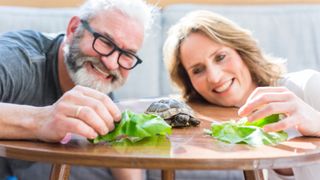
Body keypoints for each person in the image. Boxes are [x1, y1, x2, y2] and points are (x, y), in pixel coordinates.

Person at [0, 0, 154, 179]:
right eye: (105, 42)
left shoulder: (97, 80)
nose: (111, 63)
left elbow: (119, 149)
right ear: (73, 29)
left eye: (127, 54)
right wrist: (42, 119)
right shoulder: (19, 58)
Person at [163, 10, 320, 180]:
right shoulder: (221, 128)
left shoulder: (306, 86)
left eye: (220, 57)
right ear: (190, 83)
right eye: (198, 70)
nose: (215, 77)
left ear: (241, 51)